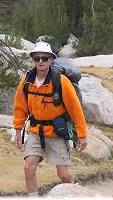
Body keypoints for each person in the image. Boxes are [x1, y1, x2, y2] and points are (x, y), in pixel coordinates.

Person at [13, 41, 87, 196]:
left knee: (64, 175)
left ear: (51, 59)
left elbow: (75, 109)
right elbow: (20, 107)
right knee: (28, 167)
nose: (40, 61)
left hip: (57, 133)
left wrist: (81, 135)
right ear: (33, 59)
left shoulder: (61, 81)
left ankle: (75, 194)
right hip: (35, 132)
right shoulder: (26, 80)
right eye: (37, 58)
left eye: (44, 58)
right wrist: (18, 131)